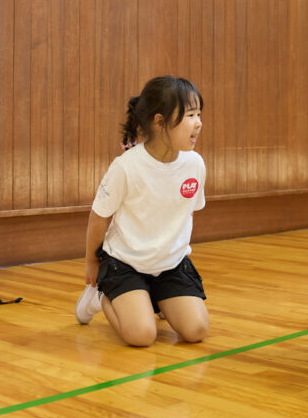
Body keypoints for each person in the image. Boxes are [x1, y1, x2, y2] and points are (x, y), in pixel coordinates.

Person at [74, 76, 209, 347]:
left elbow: (186, 214)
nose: (198, 123)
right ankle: (101, 295)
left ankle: (154, 298)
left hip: (171, 266)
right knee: (142, 336)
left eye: (199, 114)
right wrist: (92, 261)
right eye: (190, 115)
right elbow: (99, 217)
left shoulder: (195, 164)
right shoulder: (126, 166)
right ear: (160, 122)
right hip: (126, 265)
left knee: (196, 331)